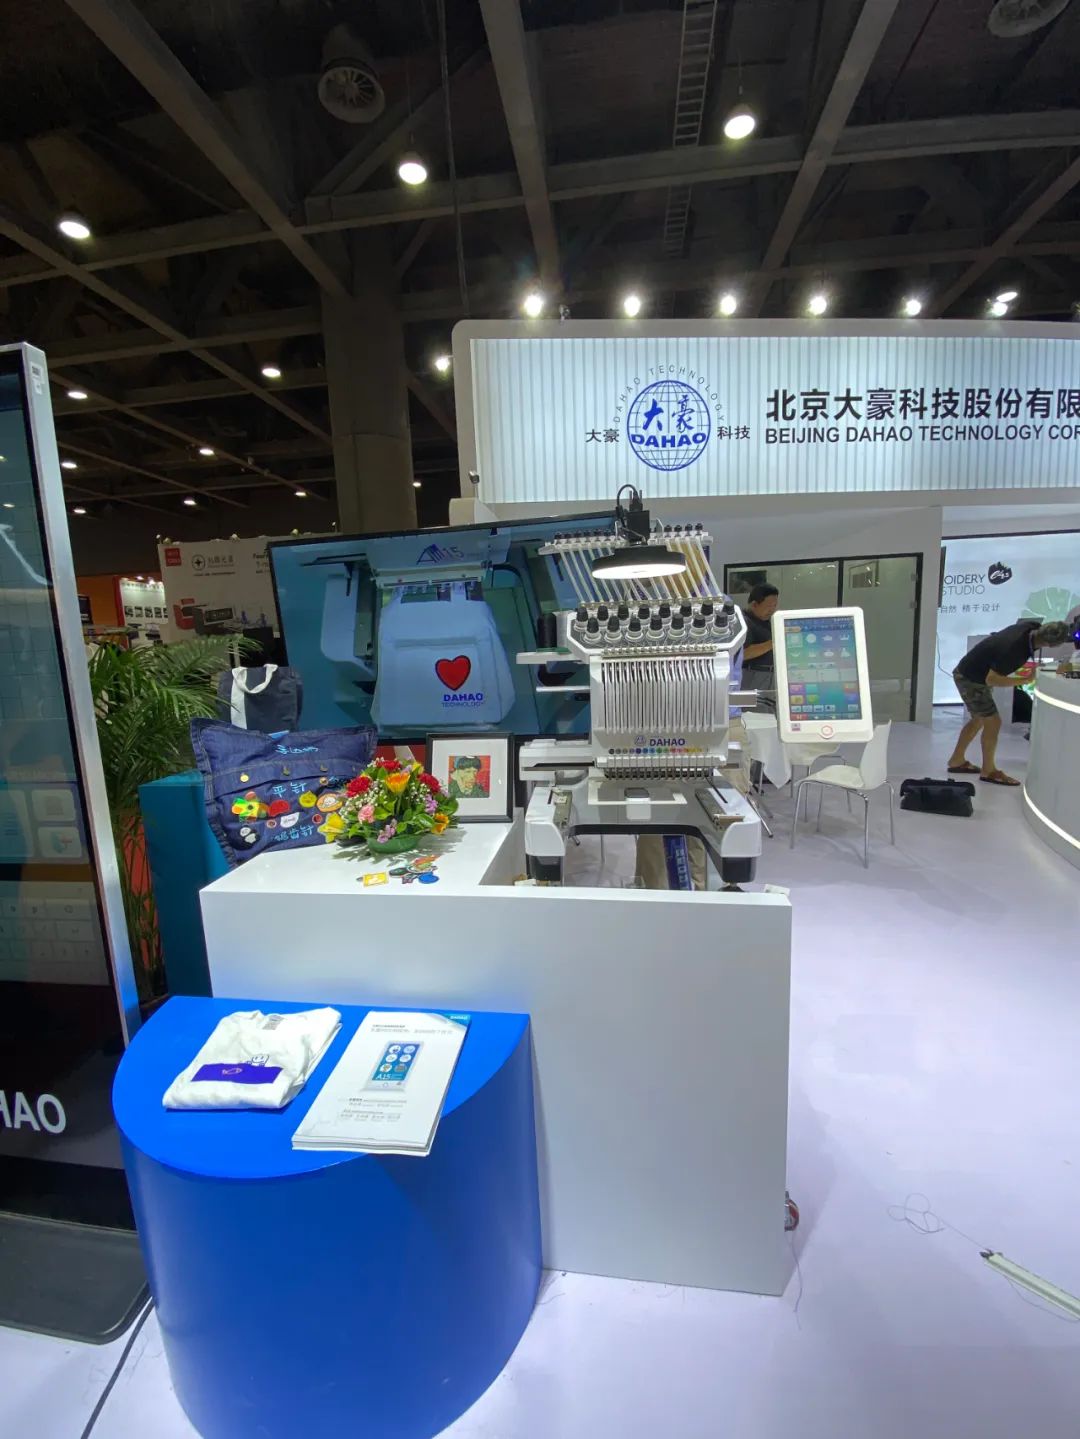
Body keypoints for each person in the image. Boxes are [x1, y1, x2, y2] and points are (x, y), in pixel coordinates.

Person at [948, 619, 1069, 785]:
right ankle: (989, 771)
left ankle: (957, 760)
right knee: (993, 722)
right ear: (1051, 645)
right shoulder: (1014, 650)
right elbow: (991, 679)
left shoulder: (1030, 627)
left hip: (970, 671)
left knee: (979, 719)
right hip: (971, 678)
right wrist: (1026, 680)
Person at [740, 583, 779, 707]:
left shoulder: (767, 621)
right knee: (755, 713)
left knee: (770, 711)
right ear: (754, 604)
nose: (772, 610)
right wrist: (773, 642)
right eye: (768, 606)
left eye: (774, 606)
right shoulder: (743, 621)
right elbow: (743, 653)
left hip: (770, 676)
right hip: (753, 675)